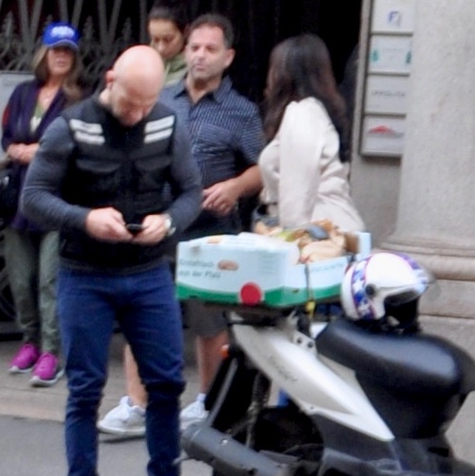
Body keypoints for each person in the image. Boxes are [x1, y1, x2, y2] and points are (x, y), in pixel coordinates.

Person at [21, 43, 218, 476]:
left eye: (147, 104)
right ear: (110, 80)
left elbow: (192, 193)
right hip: (84, 273)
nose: (137, 114)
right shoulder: (70, 126)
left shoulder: (165, 122)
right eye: (130, 102)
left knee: (167, 386)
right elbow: (35, 198)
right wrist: (84, 218)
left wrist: (168, 221)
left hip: (148, 272)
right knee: (85, 390)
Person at [102, 11, 262, 436]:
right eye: (194, 47)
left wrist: (234, 186)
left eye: (210, 49)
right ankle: (137, 403)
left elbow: (263, 169)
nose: (200, 56)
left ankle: (208, 404)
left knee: (210, 323)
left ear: (228, 57)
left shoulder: (241, 112)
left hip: (211, 230)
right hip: (155, 224)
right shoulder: (161, 99)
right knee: (141, 313)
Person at [0, 22, 84, 388]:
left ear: (75, 58)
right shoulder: (22, 93)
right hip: (18, 199)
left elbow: (80, 145)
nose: (61, 56)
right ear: (44, 55)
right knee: (21, 278)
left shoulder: (80, 99)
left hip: (56, 198)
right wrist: (14, 149)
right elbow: (5, 134)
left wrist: (40, 153)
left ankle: (52, 351)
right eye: (55, 50)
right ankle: (29, 341)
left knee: (50, 280)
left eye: (67, 51)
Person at [259, 34, 364, 234]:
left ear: (284, 74)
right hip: (327, 229)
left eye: (273, 67)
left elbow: (296, 194)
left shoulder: (301, 113)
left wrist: (290, 242)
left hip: (317, 236)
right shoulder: (314, 113)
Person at [148, 5, 189, 85]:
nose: (161, 48)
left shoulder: (194, 70)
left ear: (185, 32)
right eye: (155, 40)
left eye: (168, 40)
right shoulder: (145, 63)